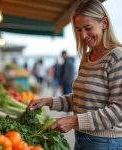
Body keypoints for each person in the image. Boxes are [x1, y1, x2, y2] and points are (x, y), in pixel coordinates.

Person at [28, 0, 122, 150]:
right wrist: (48, 101)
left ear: (104, 23)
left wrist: (74, 121)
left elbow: (119, 110)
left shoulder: (117, 57)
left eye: (88, 28)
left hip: (105, 143)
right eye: (78, 29)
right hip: (82, 139)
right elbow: (81, 99)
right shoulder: (87, 57)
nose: (83, 35)